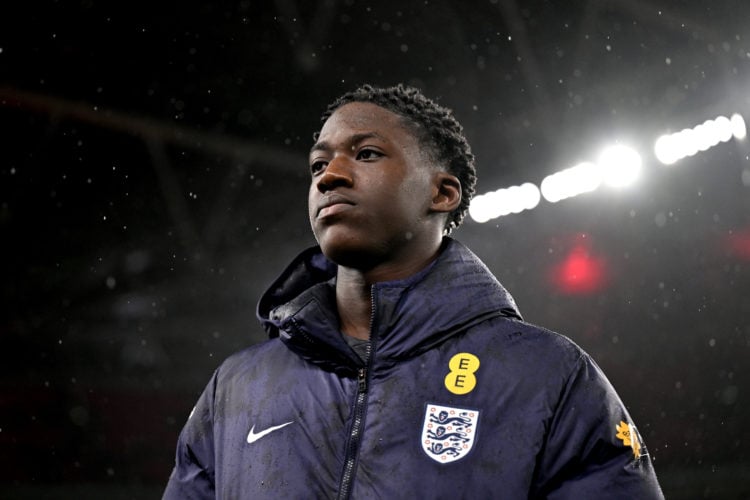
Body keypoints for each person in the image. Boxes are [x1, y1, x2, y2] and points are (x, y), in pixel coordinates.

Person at [163, 84, 664, 499]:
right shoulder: (238, 386)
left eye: (366, 154)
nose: (330, 176)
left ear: (442, 193)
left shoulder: (549, 376)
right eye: (318, 166)